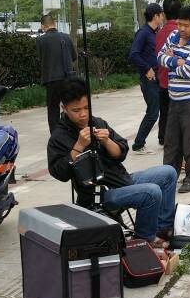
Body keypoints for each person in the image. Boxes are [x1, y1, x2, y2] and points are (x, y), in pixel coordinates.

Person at [47, 80, 177, 245]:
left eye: (86, 108)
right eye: (76, 110)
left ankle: (162, 229)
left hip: (122, 180)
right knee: (151, 192)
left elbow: (121, 152)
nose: (83, 114)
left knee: (168, 173)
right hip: (98, 194)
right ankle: (145, 240)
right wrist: (79, 146)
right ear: (63, 108)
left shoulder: (98, 122)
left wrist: (107, 141)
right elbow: (60, 173)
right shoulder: (59, 137)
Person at [158, 5, 190, 194]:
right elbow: (160, 57)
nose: (181, 29)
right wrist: (176, 61)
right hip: (174, 99)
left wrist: (173, 59)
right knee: (171, 143)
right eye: (179, 24)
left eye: (186, 25)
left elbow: (187, 72)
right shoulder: (172, 36)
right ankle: (167, 177)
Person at [129, 2, 165, 151]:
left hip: (158, 77)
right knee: (152, 112)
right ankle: (138, 144)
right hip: (148, 79)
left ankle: (162, 139)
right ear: (155, 16)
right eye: (161, 14)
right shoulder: (143, 33)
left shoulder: (155, 32)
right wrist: (147, 69)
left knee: (160, 109)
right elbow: (133, 54)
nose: (163, 17)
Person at [36, 13, 78, 133]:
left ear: (43, 26)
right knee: (70, 106)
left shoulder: (40, 40)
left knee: (53, 108)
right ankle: (72, 130)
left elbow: (41, 58)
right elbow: (74, 57)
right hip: (67, 77)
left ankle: (55, 134)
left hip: (51, 79)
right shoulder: (66, 37)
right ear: (55, 24)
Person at [154, 0, 181, 146]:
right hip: (177, 81)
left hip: (163, 79)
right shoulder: (181, 32)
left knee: (164, 111)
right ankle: (173, 139)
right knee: (176, 113)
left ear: (164, 13)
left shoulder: (160, 32)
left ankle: (162, 136)